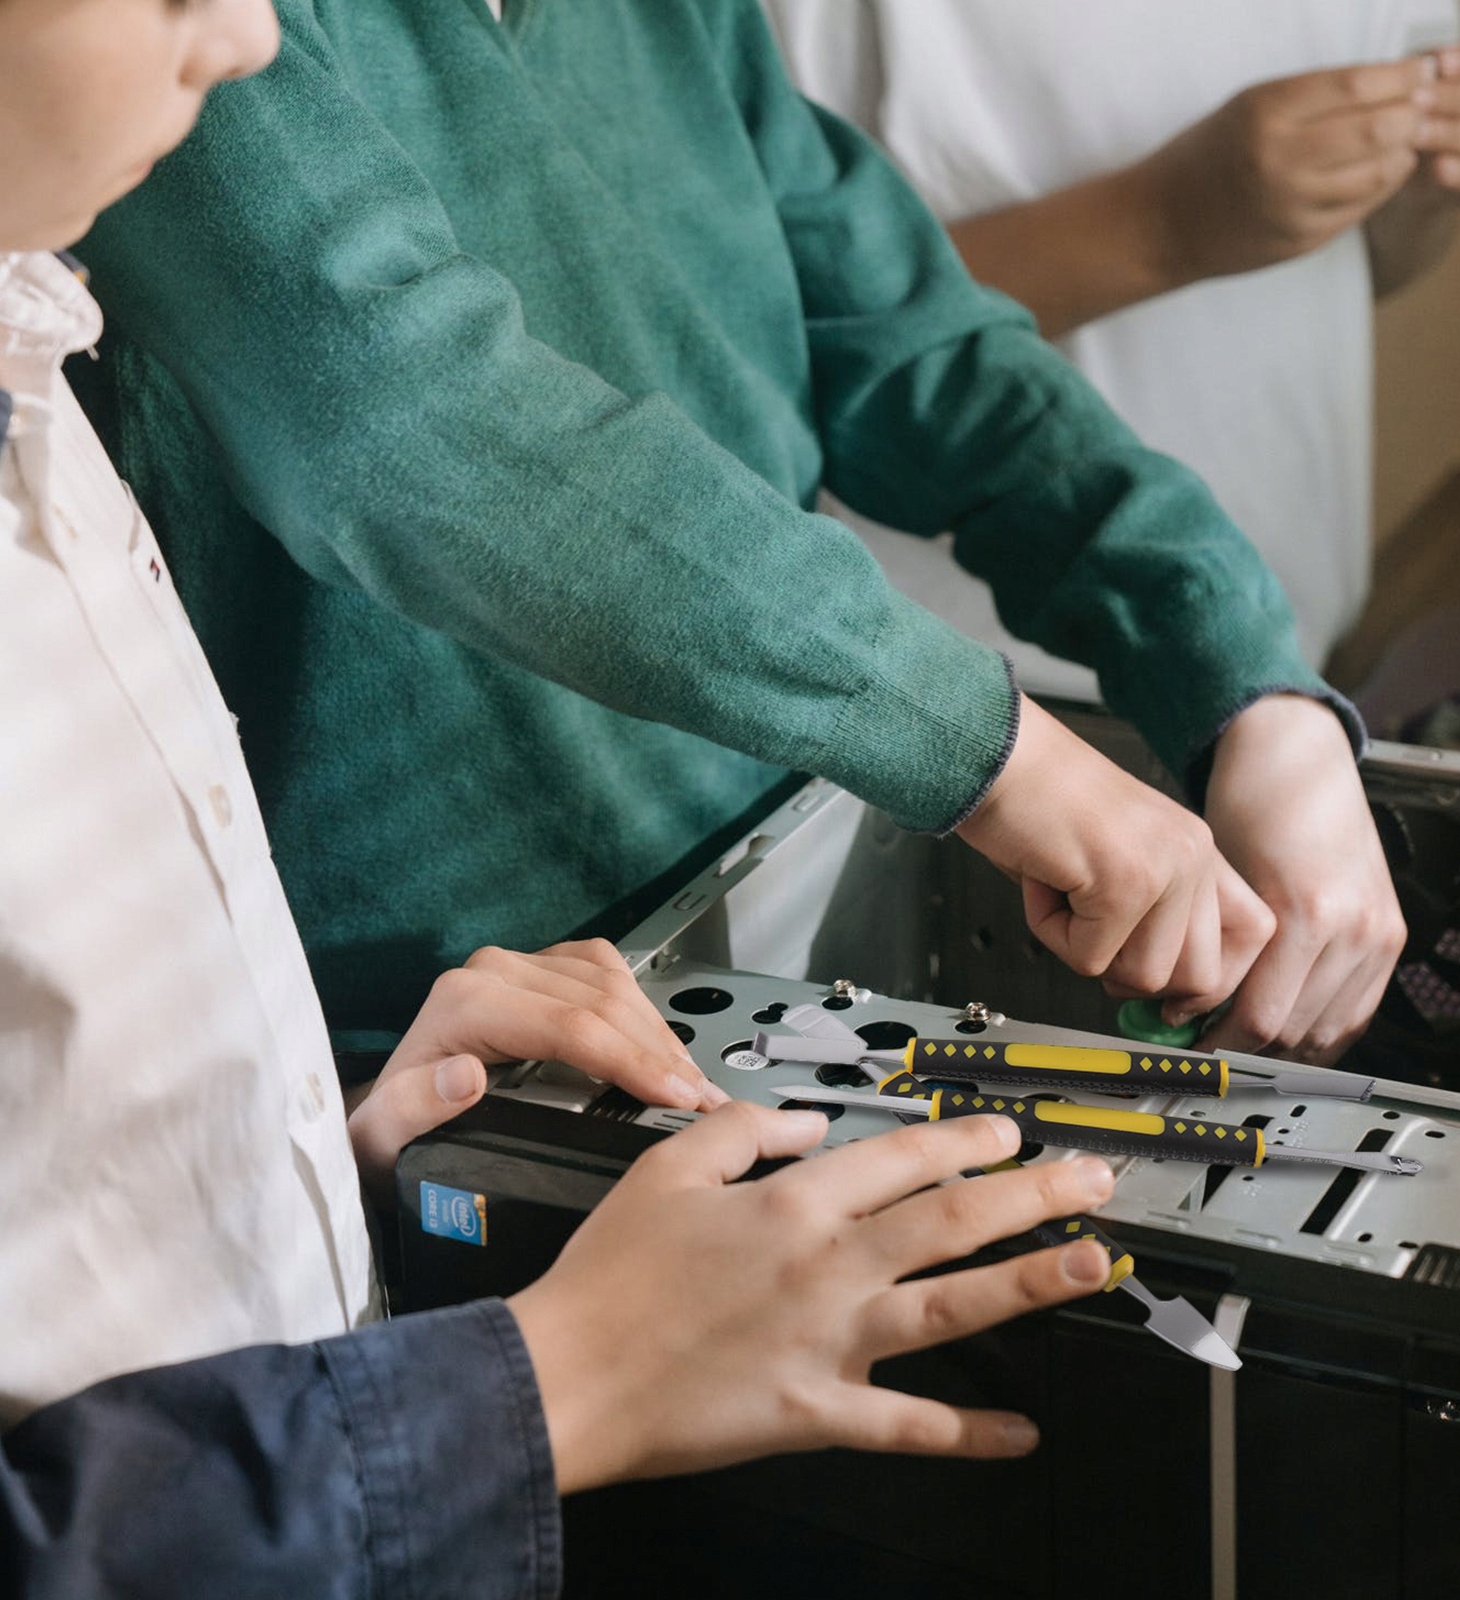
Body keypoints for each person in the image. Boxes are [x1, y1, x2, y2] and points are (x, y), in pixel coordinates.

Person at [0, 2, 1123, 1592]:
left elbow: (74, 1178)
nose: (252, 44)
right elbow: (397, 418)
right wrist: (551, 1388)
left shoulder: (36, 369)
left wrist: (342, 1166)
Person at [74, 0, 1406, 1069]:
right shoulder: (196, 28)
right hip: (438, 1020)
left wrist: (1246, 686)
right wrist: (1001, 760)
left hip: (787, 877)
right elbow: (404, 424)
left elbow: (907, 343)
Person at [761, 1, 1460, 682]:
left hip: (1299, 641)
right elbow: (758, 338)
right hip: (985, 695)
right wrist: (1164, 224)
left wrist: (1437, 178)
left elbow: (1377, 264)